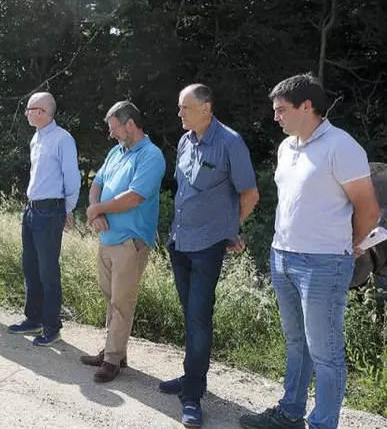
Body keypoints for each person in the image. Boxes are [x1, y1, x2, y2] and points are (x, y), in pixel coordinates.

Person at [240, 74, 380, 429]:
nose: (276, 118)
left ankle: (322, 424)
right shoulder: (287, 148)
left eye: (281, 110)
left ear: (307, 107)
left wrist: (351, 246)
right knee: (296, 343)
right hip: (282, 257)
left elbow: (368, 209)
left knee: (325, 351)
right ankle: (290, 412)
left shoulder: (341, 146)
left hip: (324, 263)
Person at [162, 84, 259, 427]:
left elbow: (249, 194)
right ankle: (191, 376)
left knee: (199, 318)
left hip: (207, 247)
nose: (180, 114)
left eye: (185, 108)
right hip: (180, 242)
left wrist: (228, 230)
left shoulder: (231, 143)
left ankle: (192, 395)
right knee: (190, 315)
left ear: (206, 108)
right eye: (179, 108)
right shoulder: (186, 141)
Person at [79, 100, 166, 382]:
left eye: (115, 128)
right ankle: (113, 350)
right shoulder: (116, 152)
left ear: (130, 124)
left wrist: (98, 209)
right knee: (111, 298)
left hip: (131, 241)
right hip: (107, 237)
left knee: (121, 301)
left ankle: (112, 360)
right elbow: (97, 184)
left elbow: (134, 197)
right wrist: (95, 213)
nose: (112, 134)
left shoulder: (151, 156)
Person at [7, 92, 80, 346]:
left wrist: (66, 209)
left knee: (48, 271)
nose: (26, 113)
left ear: (41, 111)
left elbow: (72, 177)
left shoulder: (62, 139)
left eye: (29, 109)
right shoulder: (37, 138)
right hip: (32, 210)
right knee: (30, 266)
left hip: (51, 211)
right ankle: (33, 318)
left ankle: (51, 326)